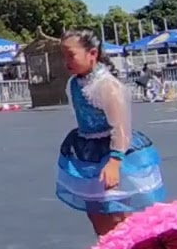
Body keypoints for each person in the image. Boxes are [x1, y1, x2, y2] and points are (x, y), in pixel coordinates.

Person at [58, 29, 167, 237]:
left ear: (92, 54)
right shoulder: (74, 83)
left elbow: (121, 126)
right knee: (96, 211)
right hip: (88, 149)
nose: (66, 61)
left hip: (115, 150)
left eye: (71, 55)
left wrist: (115, 161)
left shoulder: (107, 86)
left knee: (118, 211)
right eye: (64, 56)